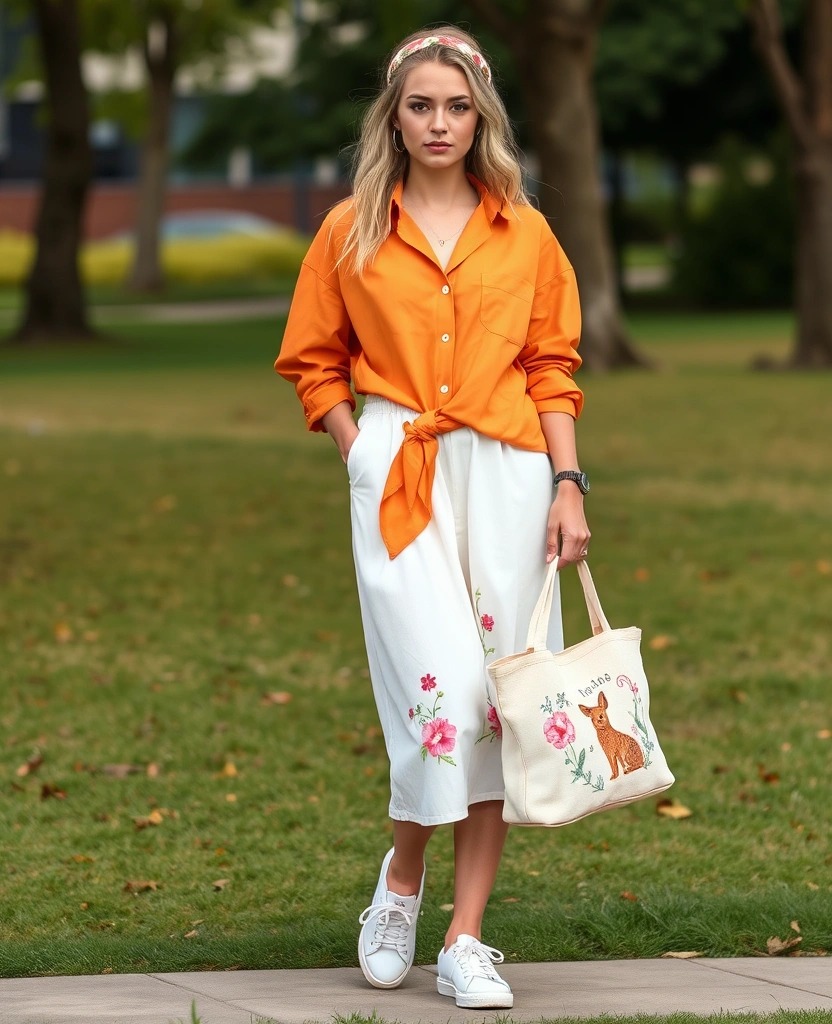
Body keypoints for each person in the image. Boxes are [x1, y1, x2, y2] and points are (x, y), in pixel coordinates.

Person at [275, 27, 590, 1011]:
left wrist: (570, 484)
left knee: (494, 703)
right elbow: (312, 357)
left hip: (507, 473)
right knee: (439, 696)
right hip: (401, 472)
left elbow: (551, 365)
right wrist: (358, 450)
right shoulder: (351, 230)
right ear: (394, 115)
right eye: (421, 105)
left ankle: (464, 939)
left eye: (456, 106)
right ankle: (401, 875)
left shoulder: (525, 231)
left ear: (481, 114)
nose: (439, 122)